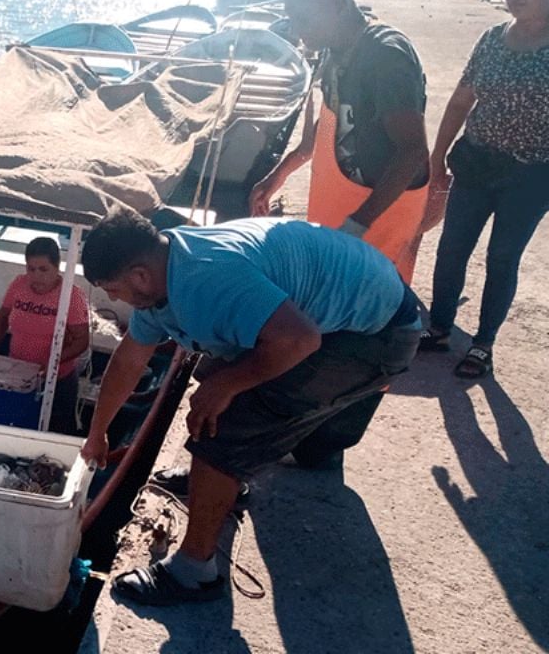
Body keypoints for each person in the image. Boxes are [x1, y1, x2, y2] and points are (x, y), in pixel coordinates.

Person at [79, 210, 421, 605]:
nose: (113, 300)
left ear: (139, 275)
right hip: (347, 310)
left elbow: (299, 339)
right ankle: (233, 480)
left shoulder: (205, 279)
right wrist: (98, 432)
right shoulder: (167, 264)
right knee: (215, 375)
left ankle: (194, 572)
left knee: (222, 429)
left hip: (375, 335)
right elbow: (128, 361)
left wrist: (228, 384)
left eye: (112, 289)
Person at [248, 0, 436, 284]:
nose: (295, 29)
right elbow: (329, 127)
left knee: (375, 307)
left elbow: (412, 151)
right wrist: (275, 178)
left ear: (337, 2)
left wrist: (357, 225)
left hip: (379, 216)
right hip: (344, 208)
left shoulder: (386, 56)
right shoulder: (334, 53)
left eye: (303, 18)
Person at [419, 0, 549, 379]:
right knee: (452, 247)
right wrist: (437, 157)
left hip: (531, 176)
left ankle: (483, 344)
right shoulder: (492, 39)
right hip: (475, 163)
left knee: (503, 256)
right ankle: (438, 327)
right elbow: (459, 103)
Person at [0, 237, 90, 435]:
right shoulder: (18, 284)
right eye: (31, 269)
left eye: (43, 269)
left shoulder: (72, 295)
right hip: (18, 374)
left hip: (57, 380)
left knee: (57, 431)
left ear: (57, 267)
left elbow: (82, 340)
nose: (36, 276)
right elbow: (2, 318)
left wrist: (54, 363)